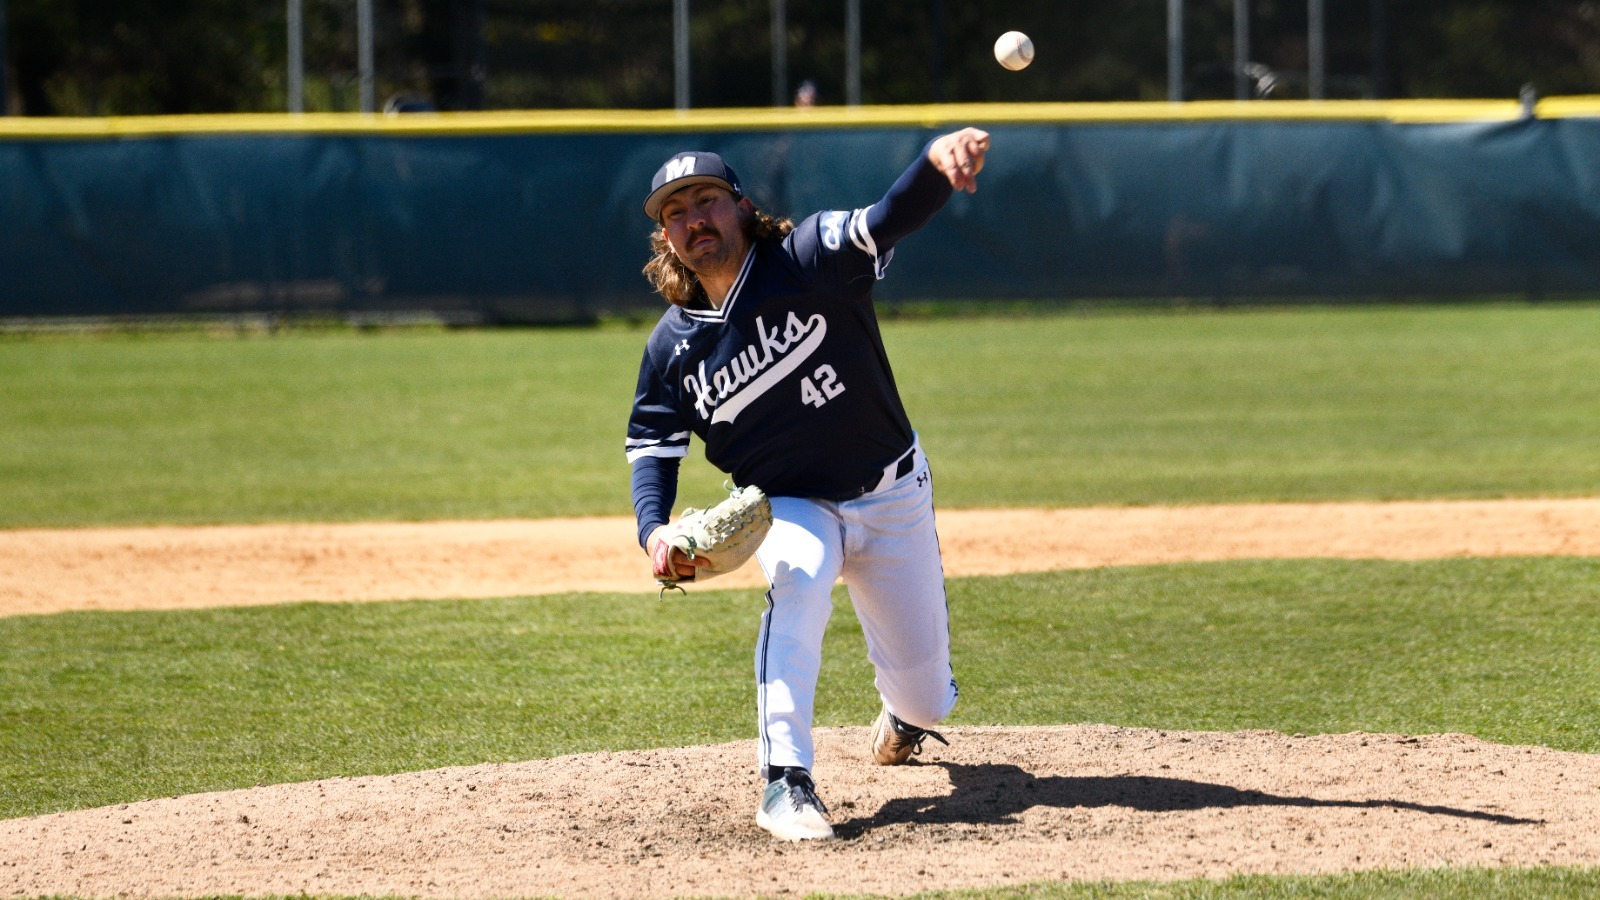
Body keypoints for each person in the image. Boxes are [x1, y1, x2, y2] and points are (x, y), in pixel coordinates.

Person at [624, 127, 991, 841]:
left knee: (927, 697)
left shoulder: (810, 256)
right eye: (675, 212)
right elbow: (653, 448)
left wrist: (933, 167)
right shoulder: (672, 347)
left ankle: (904, 717)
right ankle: (785, 781)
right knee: (798, 579)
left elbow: (887, 217)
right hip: (791, 506)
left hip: (891, 493)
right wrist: (654, 530)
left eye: (706, 201)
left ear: (742, 206)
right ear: (666, 238)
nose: (694, 220)